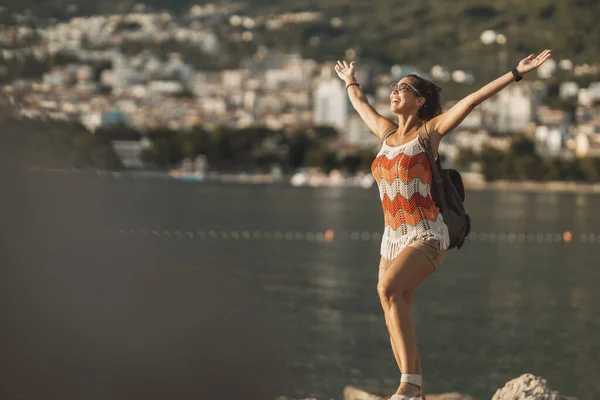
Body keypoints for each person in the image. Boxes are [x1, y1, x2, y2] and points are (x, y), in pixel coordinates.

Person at [334, 50, 552, 400]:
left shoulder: (428, 134)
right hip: (391, 240)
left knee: (389, 290)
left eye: (403, 88)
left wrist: (515, 72)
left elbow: (472, 100)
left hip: (425, 235)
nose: (394, 92)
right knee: (393, 307)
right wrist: (350, 81)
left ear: (419, 101)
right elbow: (359, 103)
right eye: (392, 87)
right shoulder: (386, 134)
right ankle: (415, 389)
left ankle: (408, 384)